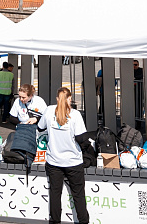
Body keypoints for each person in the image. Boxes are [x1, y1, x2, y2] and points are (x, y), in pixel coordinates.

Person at [37, 87, 89, 224]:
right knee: (78, 195)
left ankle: (55, 221)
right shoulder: (75, 115)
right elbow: (81, 139)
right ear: (70, 99)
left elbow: (40, 127)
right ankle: (83, 221)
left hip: (54, 161)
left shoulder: (48, 110)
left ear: (56, 99)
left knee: (55, 193)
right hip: (73, 161)